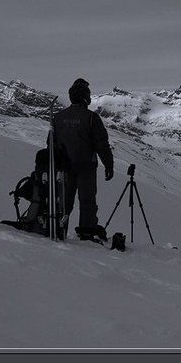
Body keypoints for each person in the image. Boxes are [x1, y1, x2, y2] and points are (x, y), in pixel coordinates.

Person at [51, 78, 114, 241]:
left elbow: (51, 143)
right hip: (86, 167)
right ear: (84, 97)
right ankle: (86, 232)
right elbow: (102, 145)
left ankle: (59, 229)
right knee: (87, 201)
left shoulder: (58, 117)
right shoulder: (91, 118)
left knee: (64, 202)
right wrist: (109, 164)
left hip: (64, 167)